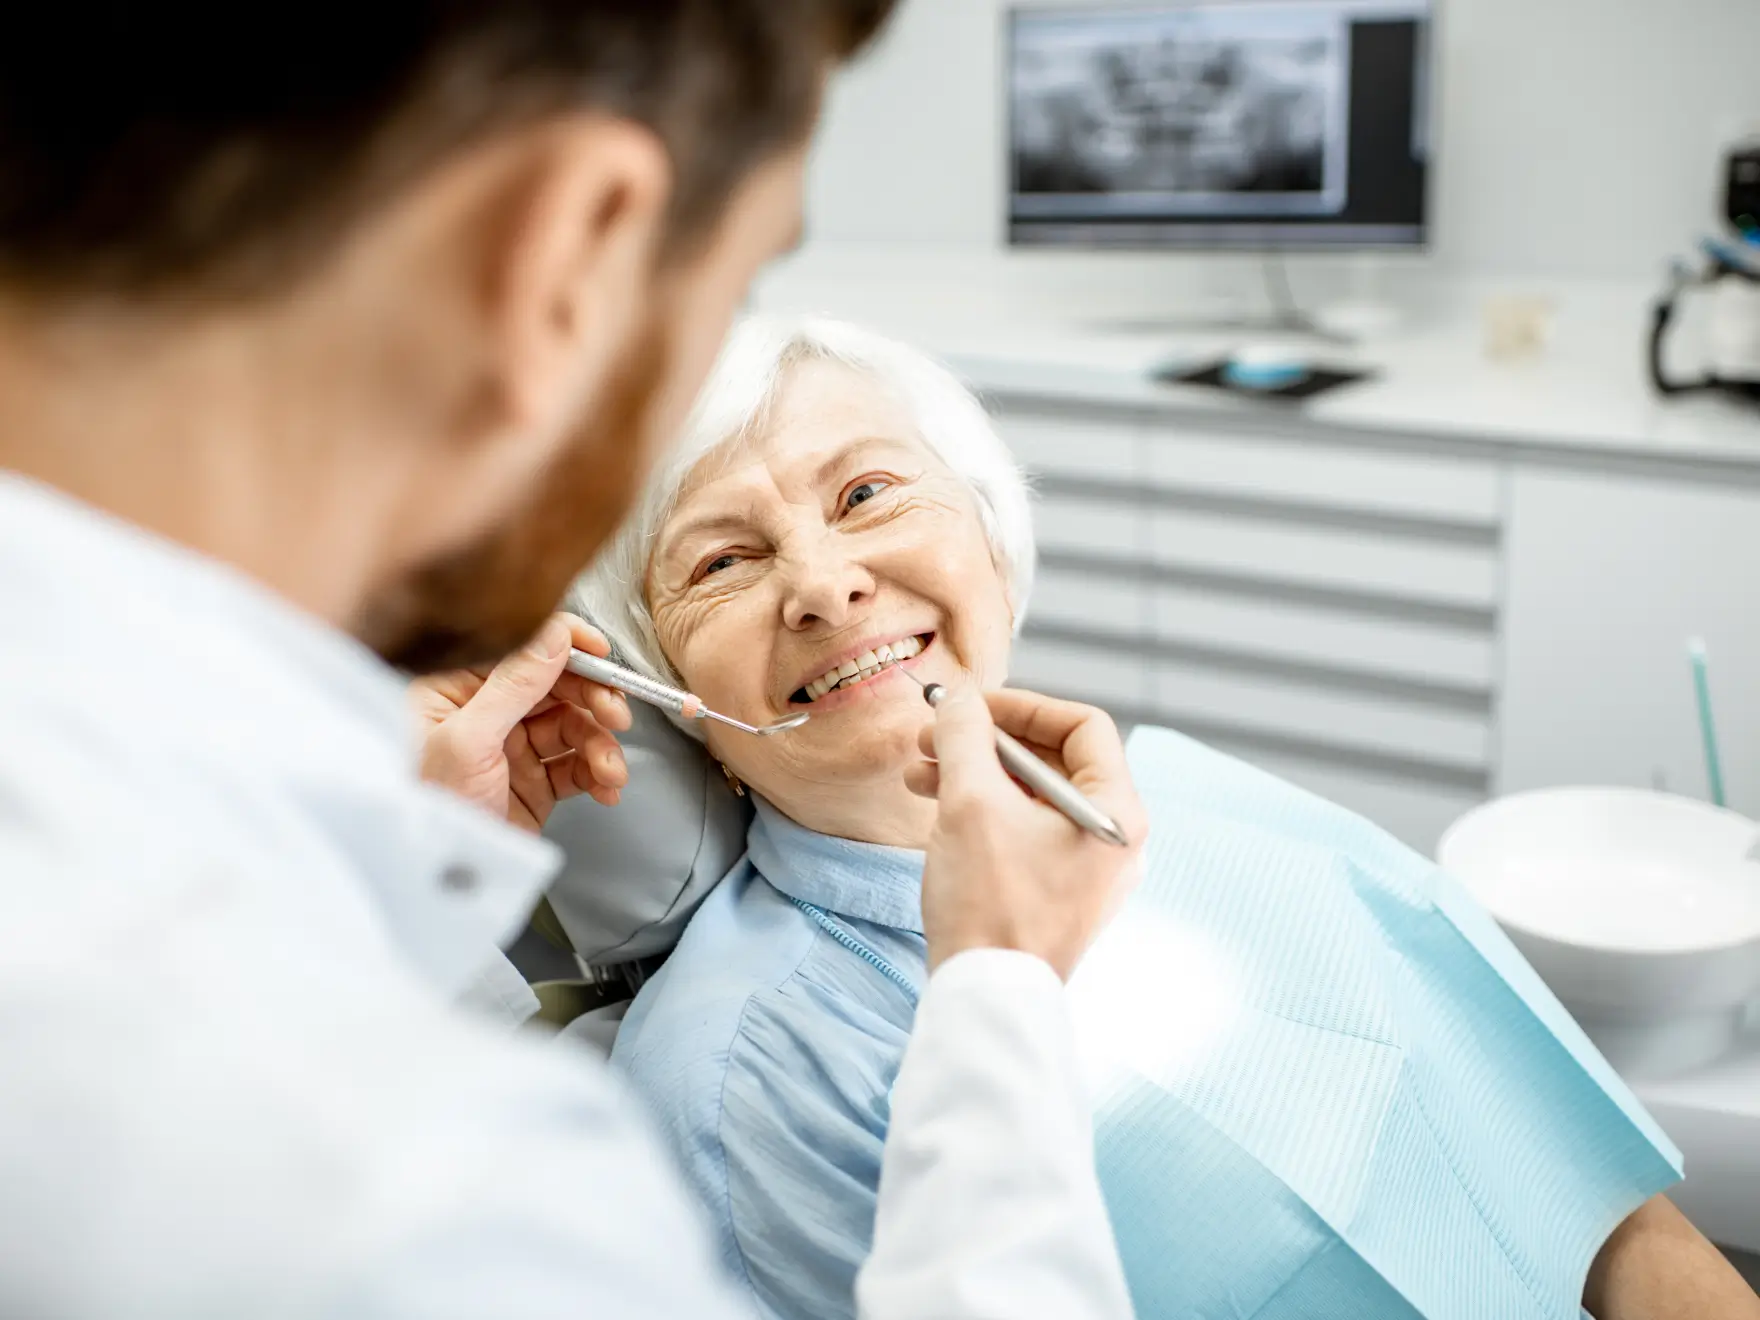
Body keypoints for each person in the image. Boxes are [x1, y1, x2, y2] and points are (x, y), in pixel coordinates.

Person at [0, 7, 1147, 1317]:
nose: (826, 580)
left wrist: (392, 875)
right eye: (741, 279)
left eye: (872, 491)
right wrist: (996, 999)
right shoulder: (429, 1202)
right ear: (571, 252)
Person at [572, 315, 1760, 1320]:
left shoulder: (1219, 812)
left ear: (988, 533)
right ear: (667, 692)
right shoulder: (745, 1076)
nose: (824, 583)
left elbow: (1608, 1215)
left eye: (869, 493)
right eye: (721, 562)